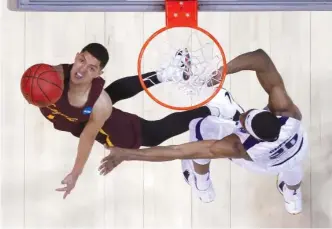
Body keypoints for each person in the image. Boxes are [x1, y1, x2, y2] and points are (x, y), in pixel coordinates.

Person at [99, 49, 308, 215]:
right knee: (293, 165)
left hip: (264, 162)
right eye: (247, 114)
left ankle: (202, 184)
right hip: (298, 148)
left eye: (242, 122)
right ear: (274, 115)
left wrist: (128, 154)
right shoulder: (289, 114)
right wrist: (223, 71)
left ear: (249, 136)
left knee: (201, 128)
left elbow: (178, 151)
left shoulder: (239, 147)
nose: (242, 118)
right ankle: (292, 196)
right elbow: (261, 59)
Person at [39, 43, 232, 199]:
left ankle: (212, 108)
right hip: (82, 113)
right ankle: (170, 72)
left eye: (92, 68)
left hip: (100, 122)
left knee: (152, 134)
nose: (81, 69)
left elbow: (88, 137)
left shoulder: (100, 105)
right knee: (106, 94)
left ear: (99, 74)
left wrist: (75, 173)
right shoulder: (49, 77)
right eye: (81, 60)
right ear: (76, 56)